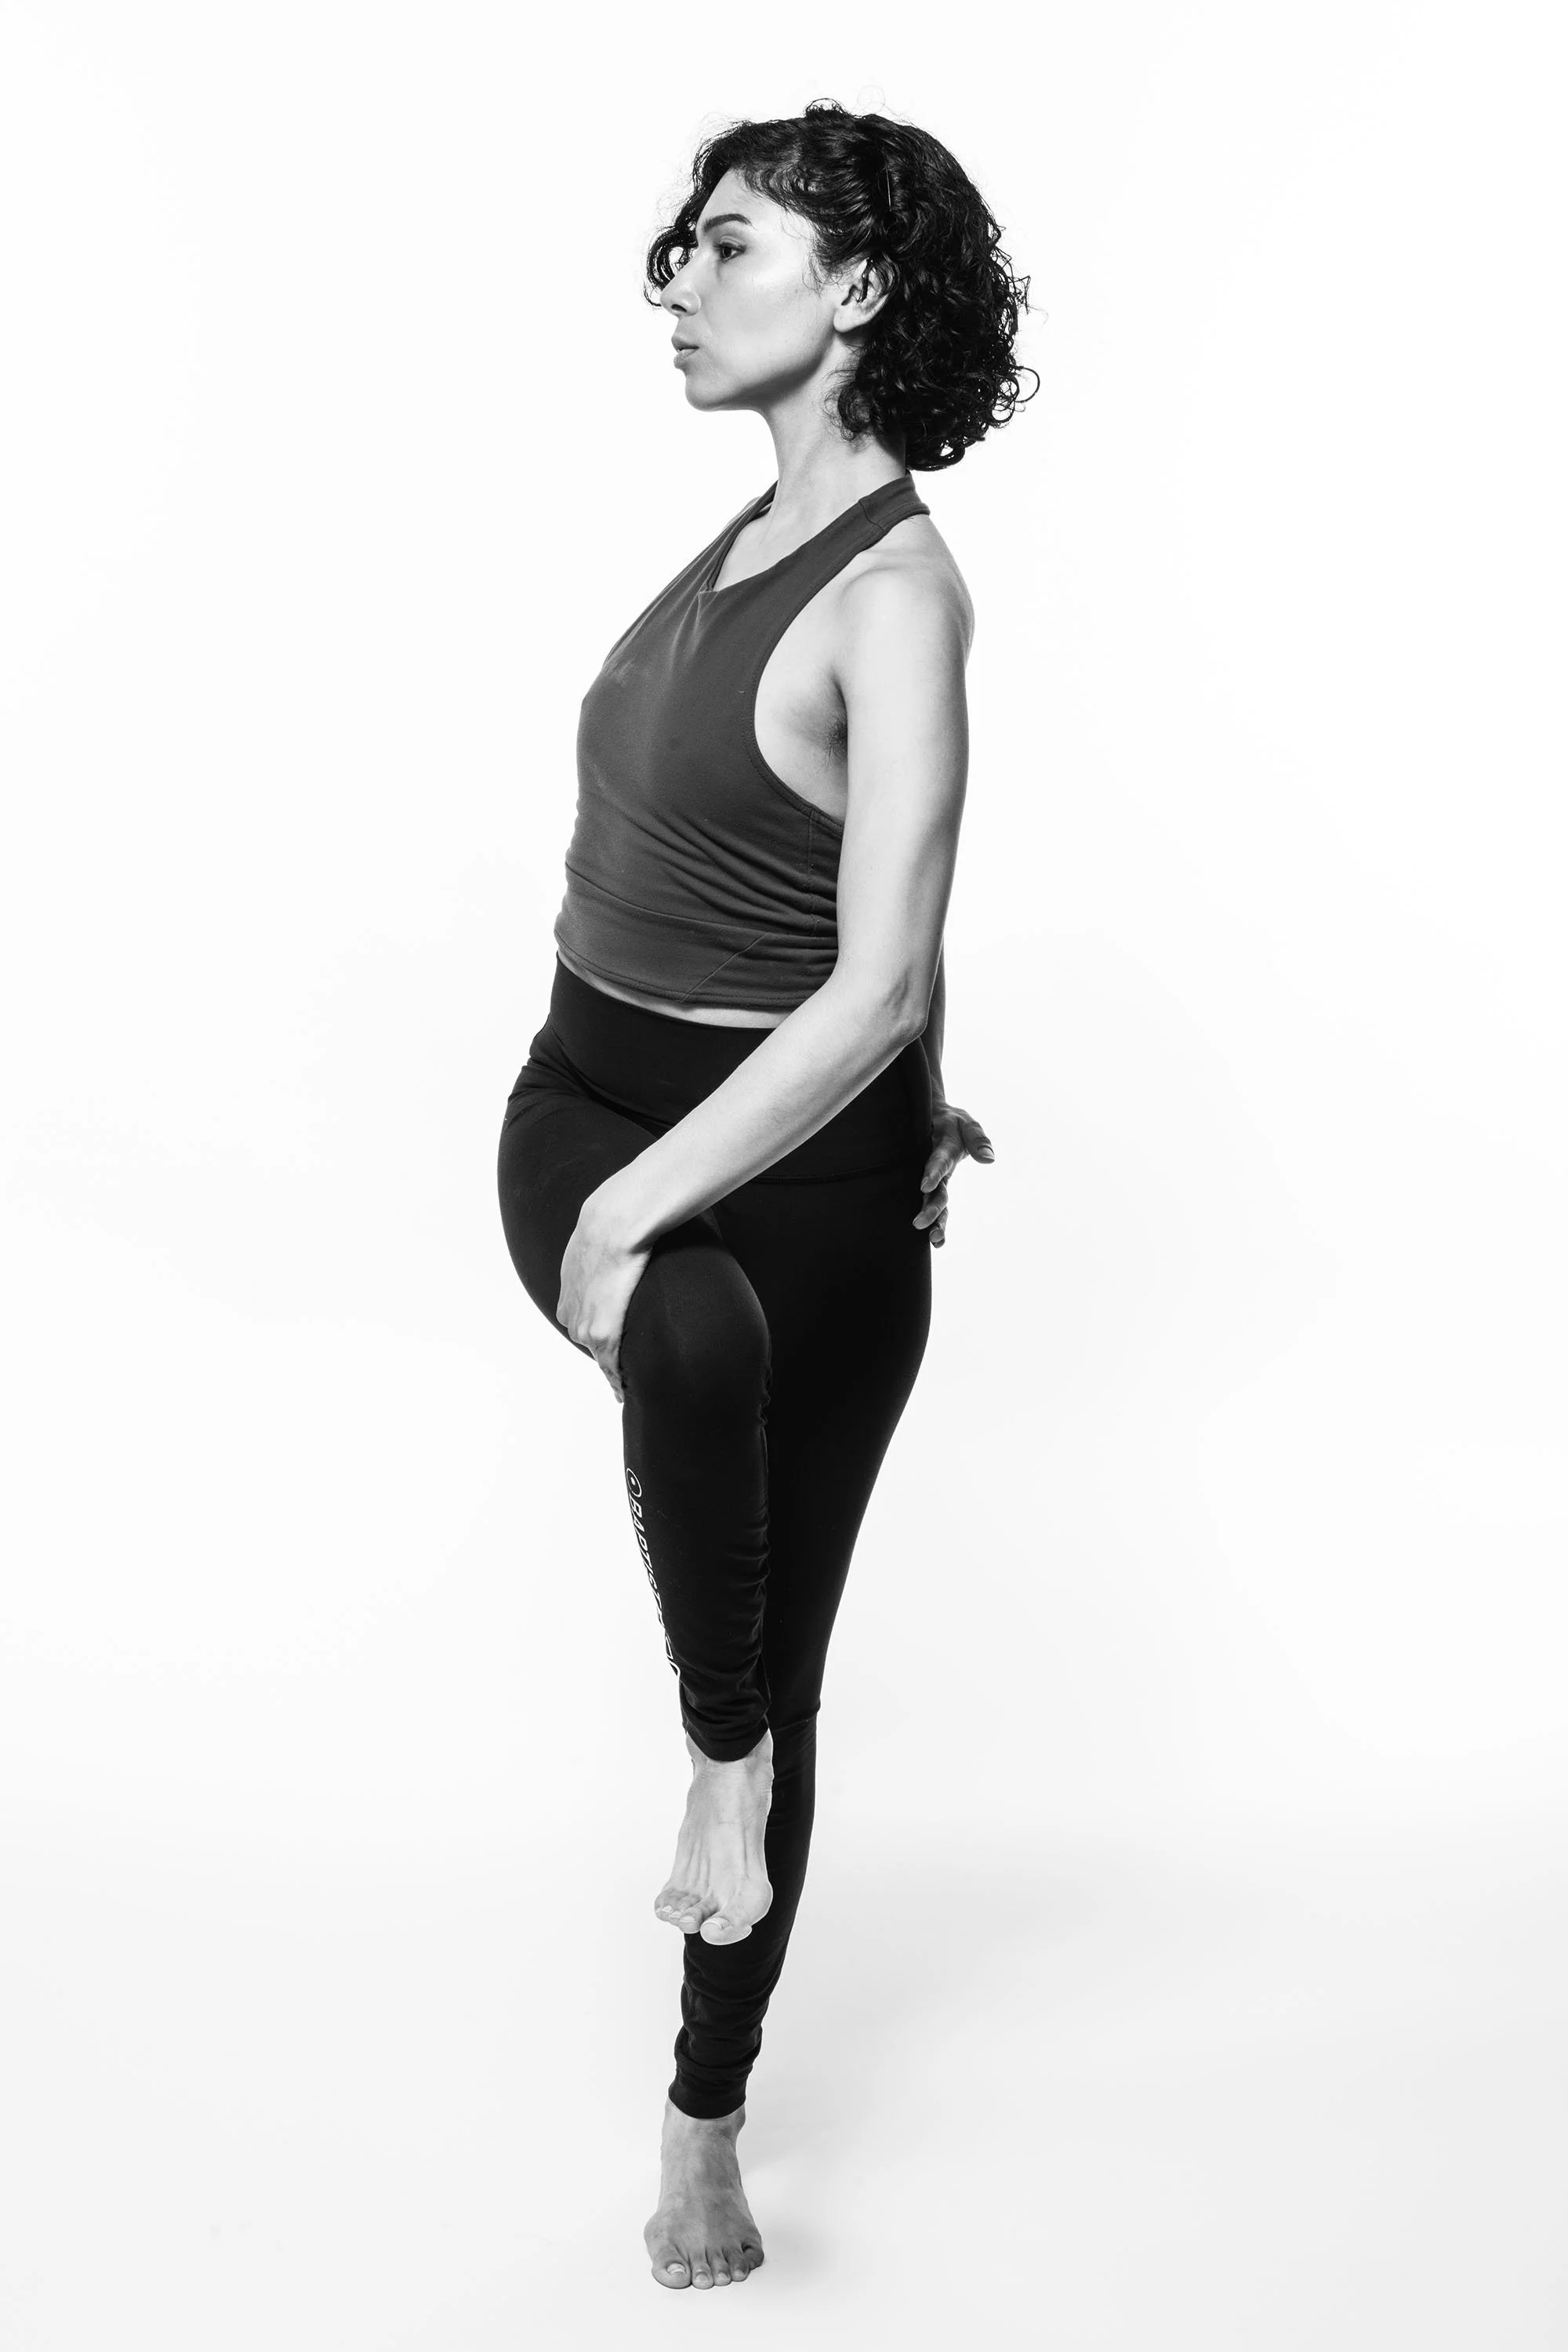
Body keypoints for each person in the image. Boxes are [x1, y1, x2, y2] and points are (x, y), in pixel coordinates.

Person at [496, 98, 1034, 2289]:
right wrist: (609, 1192)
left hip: (789, 1172)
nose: (681, 284)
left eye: (730, 247)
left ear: (860, 291)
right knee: (672, 1316)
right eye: (683, 246)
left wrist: (707, 1184)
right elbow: (839, 886)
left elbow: (878, 959)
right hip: (581, 1079)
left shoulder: (900, 590)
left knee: (724, 1421)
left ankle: (704, 2113)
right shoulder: (733, 544)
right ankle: (723, 1744)